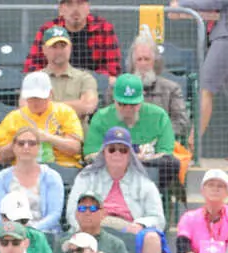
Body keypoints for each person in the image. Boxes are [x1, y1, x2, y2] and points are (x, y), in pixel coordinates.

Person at [66, 127, 167, 253]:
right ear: (104, 152)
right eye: (112, 149)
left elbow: (158, 218)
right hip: (94, 225)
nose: (117, 154)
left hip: (130, 229)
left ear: (130, 154)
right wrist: (87, 225)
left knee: (153, 239)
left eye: (123, 150)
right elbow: (71, 212)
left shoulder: (143, 181)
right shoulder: (87, 176)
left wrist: (140, 224)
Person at [86, 74, 179, 194]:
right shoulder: (101, 117)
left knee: (172, 164)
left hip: (148, 167)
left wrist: (140, 159)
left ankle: (158, 197)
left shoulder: (159, 116)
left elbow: (166, 152)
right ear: (114, 99)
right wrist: (124, 158)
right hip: (110, 169)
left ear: (142, 99)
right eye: (122, 104)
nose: (128, 109)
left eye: (133, 104)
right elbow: (90, 155)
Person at [0, 72, 84, 168]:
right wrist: (19, 142)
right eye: (31, 97)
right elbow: (1, 157)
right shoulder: (13, 117)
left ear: (50, 94)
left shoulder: (65, 111)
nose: (35, 102)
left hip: (63, 167)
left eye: (40, 97)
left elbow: (75, 148)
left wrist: (48, 138)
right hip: (24, 169)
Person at [117, 31, 191, 144]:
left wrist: (156, 134)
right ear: (133, 62)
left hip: (159, 144)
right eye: (139, 59)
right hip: (125, 144)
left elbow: (181, 123)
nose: (143, 64)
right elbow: (109, 119)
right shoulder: (118, 88)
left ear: (155, 62)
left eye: (147, 59)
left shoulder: (171, 89)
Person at [0, 128, 65, 234]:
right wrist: (15, 231)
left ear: (38, 147)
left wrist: (32, 230)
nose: (26, 147)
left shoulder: (52, 176)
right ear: (13, 147)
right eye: (21, 143)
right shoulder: (0, 178)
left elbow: (54, 214)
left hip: (45, 234)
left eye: (32, 143)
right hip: (10, 234)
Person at [50, 192, 130, 253]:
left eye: (93, 208)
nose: (87, 213)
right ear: (76, 214)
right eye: (82, 209)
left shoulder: (116, 245)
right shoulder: (64, 244)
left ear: (103, 214)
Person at [25, 0, 122, 78]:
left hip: (94, 84)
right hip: (56, 83)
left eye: (80, 3)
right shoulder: (48, 30)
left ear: (88, 7)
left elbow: (112, 69)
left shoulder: (103, 28)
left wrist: (84, 81)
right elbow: (32, 66)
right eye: (69, 3)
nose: (75, 9)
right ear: (61, 9)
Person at [177, 0, 228, 137]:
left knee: (206, 89)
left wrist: (181, 4)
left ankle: (193, 143)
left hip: (225, 38)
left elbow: (214, 2)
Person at [175, 169, 228, 253]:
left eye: (220, 186)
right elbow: (182, 240)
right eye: (210, 185)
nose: (215, 189)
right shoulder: (189, 217)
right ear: (202, 190)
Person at [37, 25, 99, 121]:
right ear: (44, 49)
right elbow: (26, 107)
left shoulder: (85, 78)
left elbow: (88, 106)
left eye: (63, 46)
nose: (59, 51)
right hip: (44, 130)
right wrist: (75, 106)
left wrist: (46, 107)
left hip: (77, 130)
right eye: (54, 47)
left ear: (70, 47)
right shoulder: (34, 79)